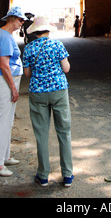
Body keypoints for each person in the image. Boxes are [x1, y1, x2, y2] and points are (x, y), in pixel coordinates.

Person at [23, 15, 74, 188]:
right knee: (64, 132)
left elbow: (27, 74)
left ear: (34, 32)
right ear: (48, 29)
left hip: (38, 93)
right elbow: (66, 68)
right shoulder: (57, 45)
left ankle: (43, 176)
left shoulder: (29, 49)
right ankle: (67, 175)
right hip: (59, 91)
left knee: (41, 135)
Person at [0, 6, 27, 177]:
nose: (22, 23)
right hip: (4, 81)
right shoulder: (4, 36)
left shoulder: (5, 35)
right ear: (12, 19)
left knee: (7, 120)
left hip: (7, 80)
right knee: (2, 121)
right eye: (21, 20)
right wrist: (13, 87)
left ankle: (4, 156)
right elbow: (4, 66)